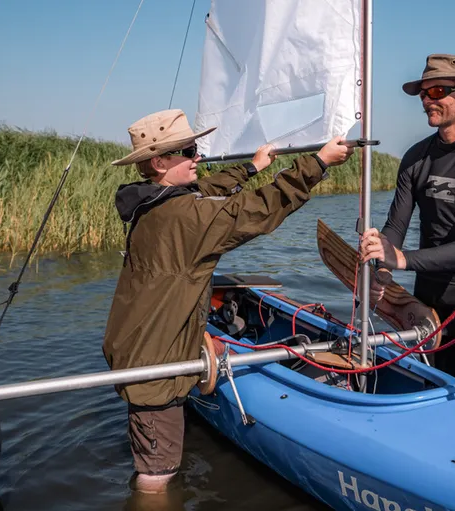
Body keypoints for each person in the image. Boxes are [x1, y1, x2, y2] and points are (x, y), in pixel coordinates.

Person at [102, 109, 353, 494]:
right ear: (159, 161)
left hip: (140, 345)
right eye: (187, 150)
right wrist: (317, 164)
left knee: (159, 459)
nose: (197, 155)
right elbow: (254, 210)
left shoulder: (156, 203)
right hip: (154, 366)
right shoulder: (184, 216)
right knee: (158, 475)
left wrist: (251, 168)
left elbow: (209, 190)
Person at [359, 54, 455, 390]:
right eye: (424, 93)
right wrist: (383, 269)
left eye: (437, 91)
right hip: (427, 283)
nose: (427, 101)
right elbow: (396, 226)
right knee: (430, 376)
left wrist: (402, 260)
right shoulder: (416, 157)